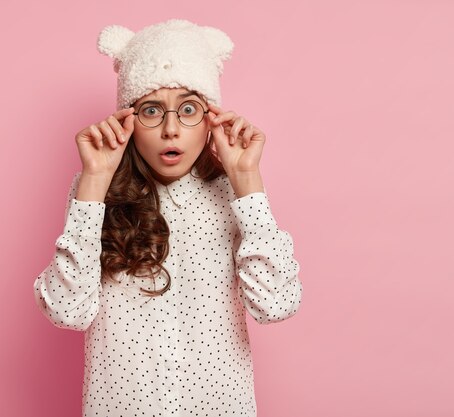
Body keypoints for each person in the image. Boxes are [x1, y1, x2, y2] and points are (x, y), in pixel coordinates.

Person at [32, 19, 303, 417]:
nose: (171, 129)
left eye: (189, 109)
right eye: (152, 110)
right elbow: (66, 311)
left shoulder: (235, 193)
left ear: (212, 117)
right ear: (127, 118)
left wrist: (247, 181)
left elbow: (277, 304)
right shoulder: (93, 191)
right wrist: (92, 182)